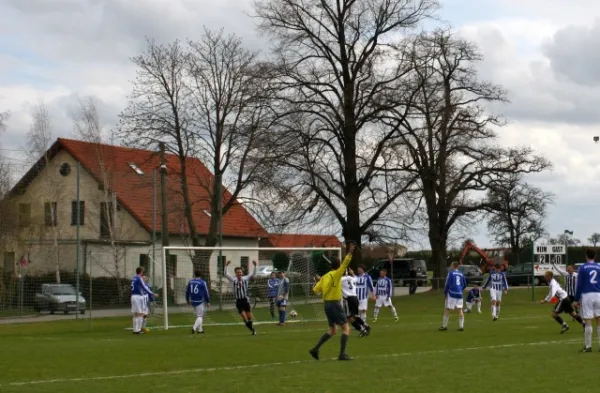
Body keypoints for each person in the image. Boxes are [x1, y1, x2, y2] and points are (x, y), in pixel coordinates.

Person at [309, 242, 356, 361]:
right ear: (338, 266)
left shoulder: (324, 276)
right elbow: (346, 263)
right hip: (335, 304)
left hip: (327, 305)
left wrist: (318, 281)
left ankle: (315, 349)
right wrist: (350, 251)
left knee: (333, 330)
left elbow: (315, 290)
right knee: (346, 328)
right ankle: (342, 354)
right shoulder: (337, 274)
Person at [574, 249, 600, 352]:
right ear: (595, 256)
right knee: (599, 320)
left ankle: (588, 346)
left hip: (587, 295)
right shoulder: (599, 266)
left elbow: (579, 285)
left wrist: (576, 299)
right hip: (598, 294)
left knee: (588, 321)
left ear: (586, 256)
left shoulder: (583, 268)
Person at [224, 260, 258, 335]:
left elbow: (253, 274)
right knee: (244, 317)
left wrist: (255, 266)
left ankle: (252, 330)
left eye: (240, 272)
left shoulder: (245, 279)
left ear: (241, 273)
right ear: (235, 273)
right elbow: (225, 274)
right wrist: (226, 265)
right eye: (237, 272)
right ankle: (252, 330)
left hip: (245, 300)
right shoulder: (233, 280)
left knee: (249, 318)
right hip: (238, 301)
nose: (239, 273)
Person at [341, 267, 370, 337]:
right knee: (354, 315)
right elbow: (356, 279)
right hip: (355, 298)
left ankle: (362, 330)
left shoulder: (340, 280)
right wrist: (352, 273)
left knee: (349, 317)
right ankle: (366, 325)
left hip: (349, 299)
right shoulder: (351, 278)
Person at [439, 262, 467, 331]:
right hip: (459, 294)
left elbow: (447, 284)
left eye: (451, 265)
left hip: (452, 293)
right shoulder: (461, 274)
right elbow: (465, 284)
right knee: (460, 309)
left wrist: (445, 293)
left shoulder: (450, 273)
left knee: (447, 308)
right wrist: (460, 289)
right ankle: (461, 327)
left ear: (453, 266)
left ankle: (444, 326)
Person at [130, 267, 158, 335]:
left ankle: (135, 329)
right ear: (141, 272)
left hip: (133, 296)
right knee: (140, 314)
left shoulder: (133, 278)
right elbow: (145, 287)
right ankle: (138, 330)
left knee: (135, 314)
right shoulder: (139, 278)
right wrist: (152, 294)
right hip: (138, 297)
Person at [186, 270, 210, 334]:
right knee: (200, 316)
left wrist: (187, 300)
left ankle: (200, 330)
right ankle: (194, 328)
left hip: (193, 301)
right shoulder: (202, 282)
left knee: (198, 316)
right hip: (200, 301)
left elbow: (187, 291)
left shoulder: (190, 282)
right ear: (201, 275)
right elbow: (206, 292)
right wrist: (208, 301)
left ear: (194, 275)